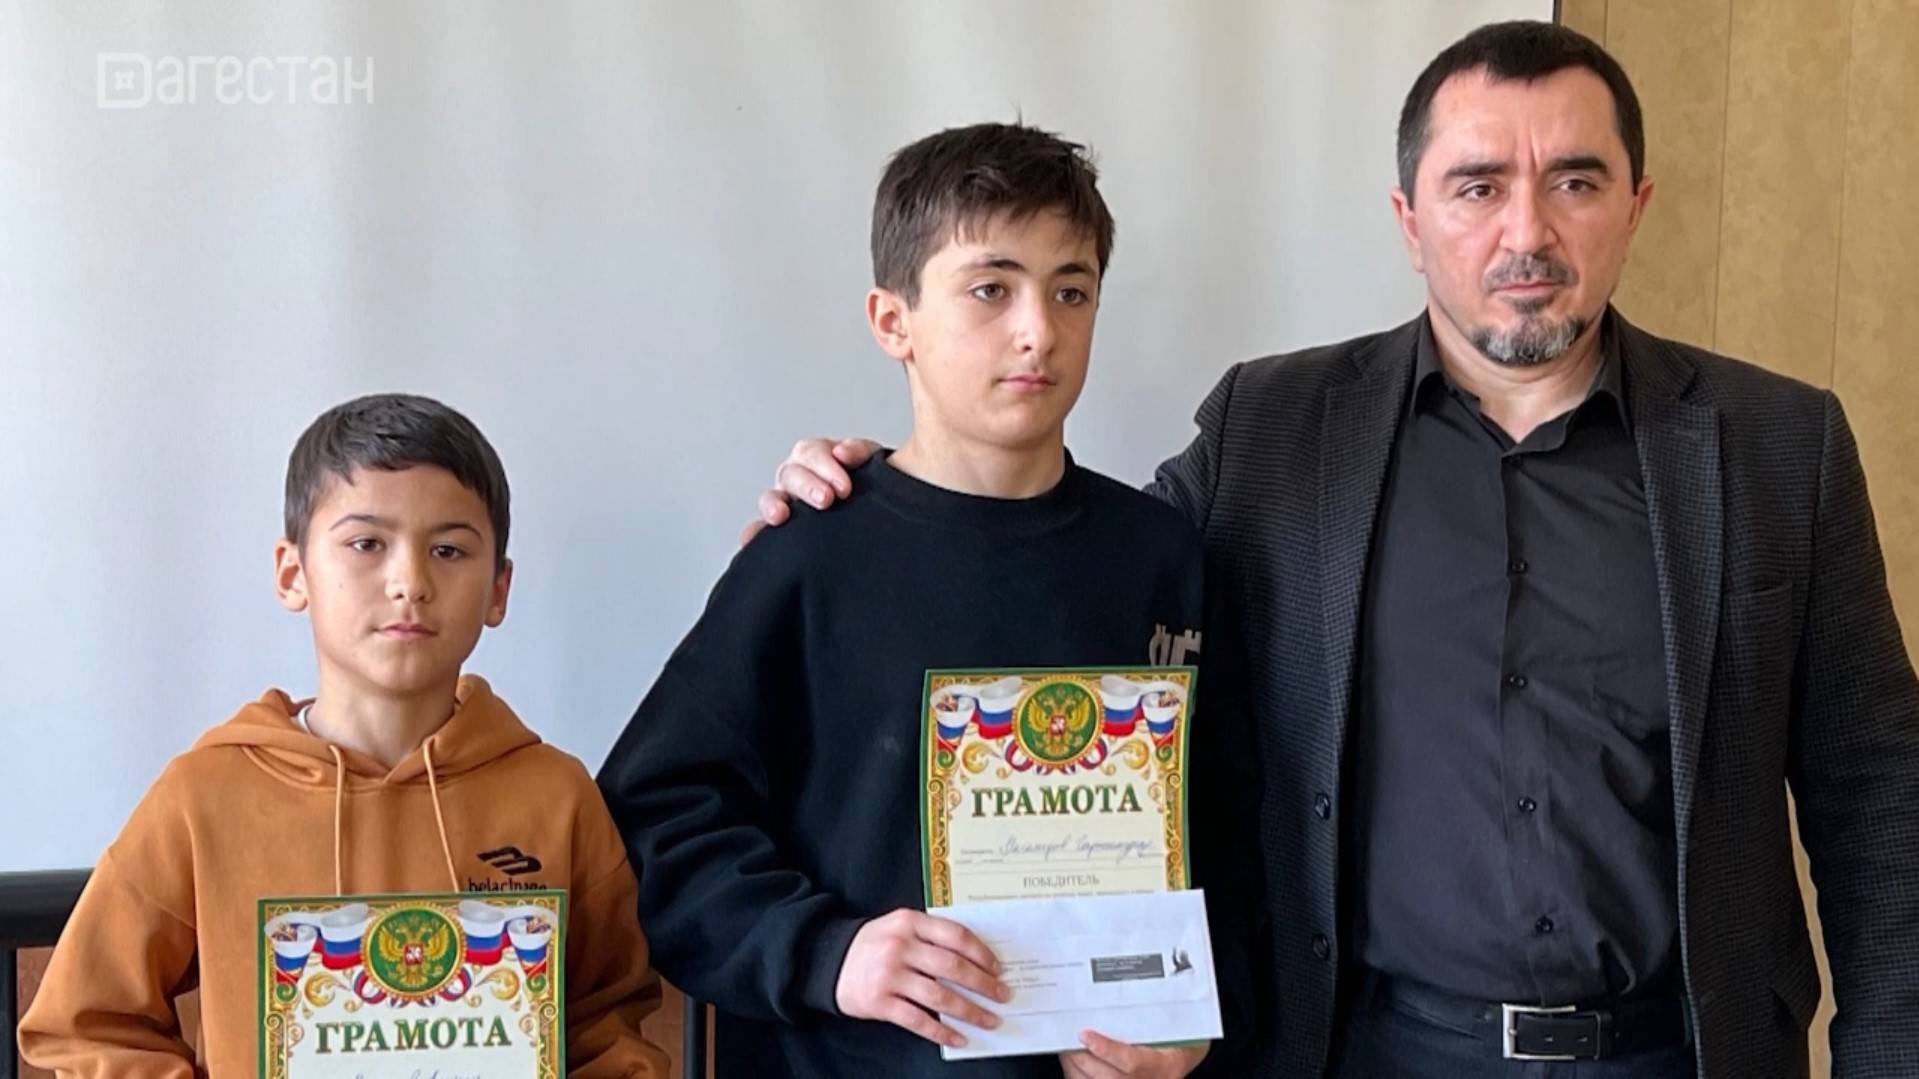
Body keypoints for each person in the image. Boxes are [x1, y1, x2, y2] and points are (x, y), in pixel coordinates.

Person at [753, 20, 1919, 1078]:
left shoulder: (1777, 447)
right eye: (1476, 186)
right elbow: (1062, 556)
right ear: (1408, 220)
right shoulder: (1273, 426)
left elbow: (1877, 794)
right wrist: (890, 485)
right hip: (1360, 1048)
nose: (1526, 230)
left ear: (1633, 204)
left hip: (1681, 1052)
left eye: (1573, 181)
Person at [599, 122, 1239, 1078]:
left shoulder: (1160, 555)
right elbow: (653, 821)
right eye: (991, 289)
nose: (1038, 329)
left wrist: (1189, 1023)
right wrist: (828, 953)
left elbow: (1228, 832)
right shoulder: (808, 554)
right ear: (892, 320)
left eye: (1071, 290)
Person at [19, 393, 671, 1078]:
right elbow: (86, 1022)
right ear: (292, 573)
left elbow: (608, 1024)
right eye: (366, 544)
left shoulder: (556, 797)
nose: (410, 582)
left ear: (498, 590)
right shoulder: (203, 796)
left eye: (448, 549)